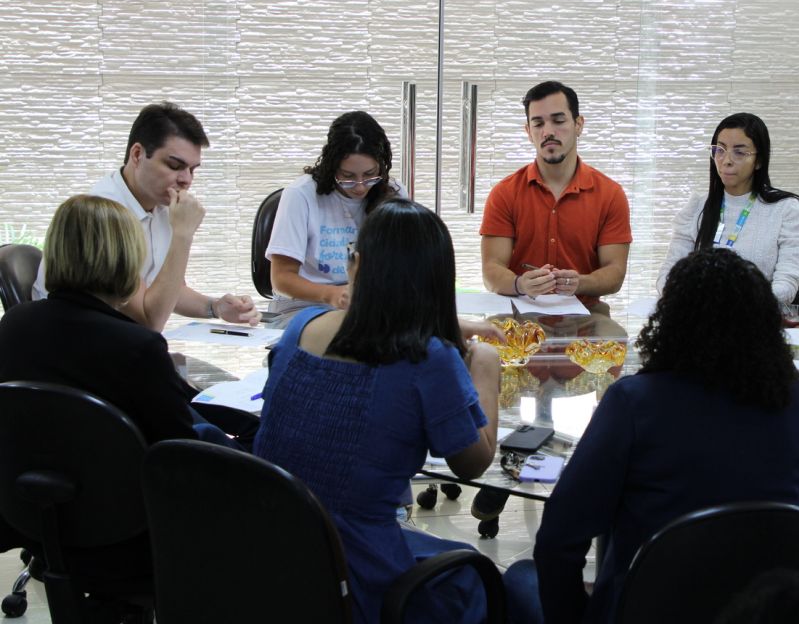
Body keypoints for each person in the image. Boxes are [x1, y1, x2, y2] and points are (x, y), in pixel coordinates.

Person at [503, 248, 799, 624]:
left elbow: (558, 539)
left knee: (519, 579)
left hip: (652, 606)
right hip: (766, 610)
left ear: (671, 321)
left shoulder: (636, 401)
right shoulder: (794, 398)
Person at [254, 198, 503, 623]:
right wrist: (485, 371)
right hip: (358, 575)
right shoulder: (430, 358)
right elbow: (472, 464)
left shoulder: (301, 327)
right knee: (479, 578)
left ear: (357, 265)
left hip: (269, 555)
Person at [0, 196, 235, 587]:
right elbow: (181, 458)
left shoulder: (11, 329)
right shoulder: (136, 347)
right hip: (130, 534)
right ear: (128, 259)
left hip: (34, 518)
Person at [32, 102, 260, 332]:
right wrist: (183, 234)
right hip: (66, 341)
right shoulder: (106, 215)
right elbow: (149, 321)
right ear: (138, 154)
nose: (186, 180)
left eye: (192, 169)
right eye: (174, 165)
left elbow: (168, 288)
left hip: (110, 337)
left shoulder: (159, 204)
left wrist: (216, 307)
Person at [480, 81, 632, 312]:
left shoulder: (610, 194)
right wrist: (520, 284)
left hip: (587, 317)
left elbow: (615, 273)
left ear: (578, 124)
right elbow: (491, 269)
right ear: (528, 132)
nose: (548, 131)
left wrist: (580, 282)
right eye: (538, 123)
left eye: (558, 121)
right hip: (518, 315)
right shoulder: (505, 193)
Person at [657, 112, 799, 306]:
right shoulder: (697, 207)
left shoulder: (787, 210)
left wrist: (735, 304)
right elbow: (668, 275)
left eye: (739, 152)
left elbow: (787, 286)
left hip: (756, 323)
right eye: (720, 150)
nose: (726, 160)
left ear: (759, 160)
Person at [265, 110, 400, 323]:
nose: (360, 187)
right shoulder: (301, 195)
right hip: (304, 307)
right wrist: (331, 295)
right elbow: (281, 279)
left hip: (370, 308)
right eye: (347, 177)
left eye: (369, 175)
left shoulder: (394, 194)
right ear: (331, 166)